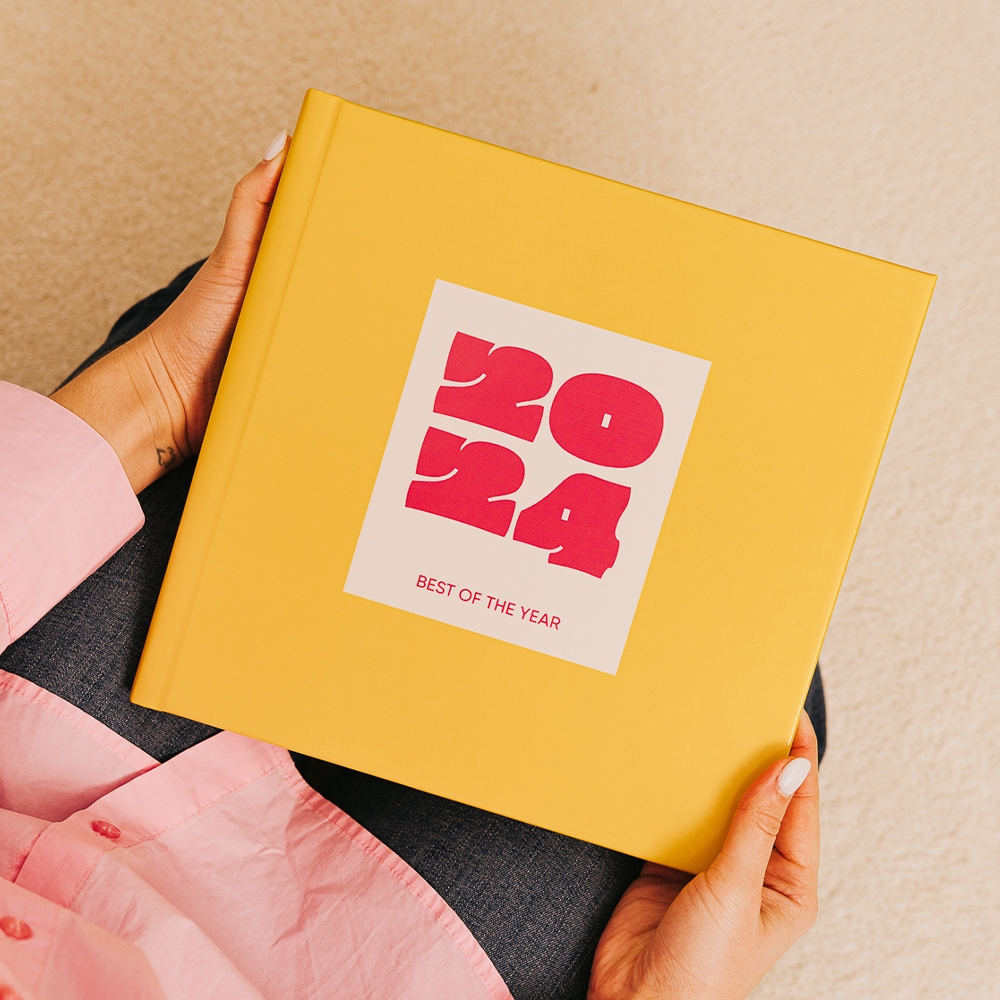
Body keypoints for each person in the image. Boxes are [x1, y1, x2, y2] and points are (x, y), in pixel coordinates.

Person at [0, 130, 822, 1000]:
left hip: (32, 783)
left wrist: (159, 391)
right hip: (383, 968)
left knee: (271, 312)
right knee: (766, 680)